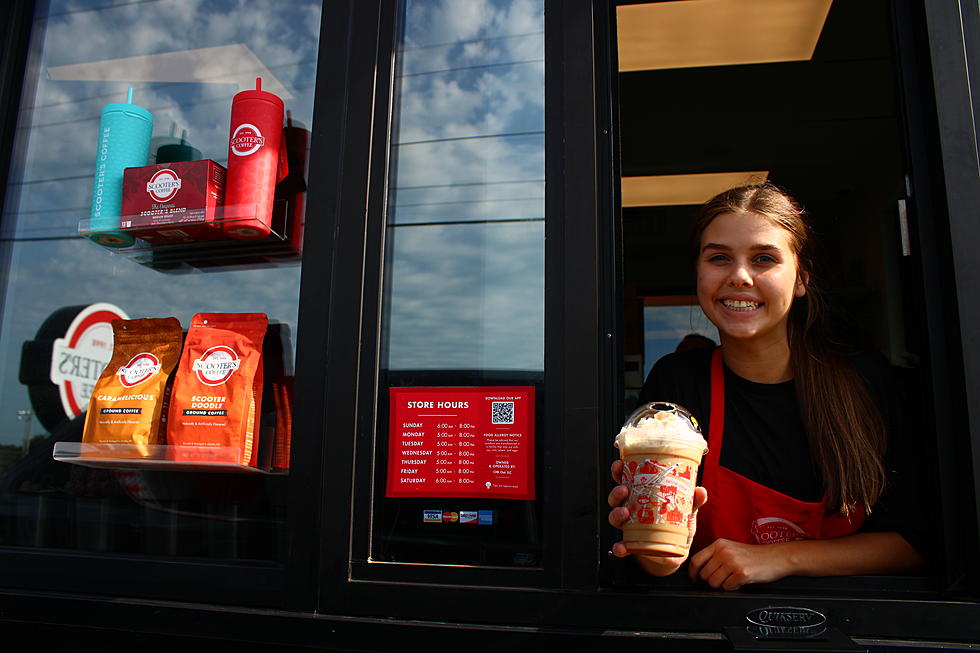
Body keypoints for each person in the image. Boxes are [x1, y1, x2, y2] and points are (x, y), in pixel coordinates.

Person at [607, 183, 926, 591]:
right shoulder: (678, 382)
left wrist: (781, 557)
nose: (739, 276)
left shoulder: (866, 382)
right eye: (719, 258)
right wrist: (654, 548)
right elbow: (661, 565)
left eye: (763, 259)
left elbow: (920, 543)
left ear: (801, 279)